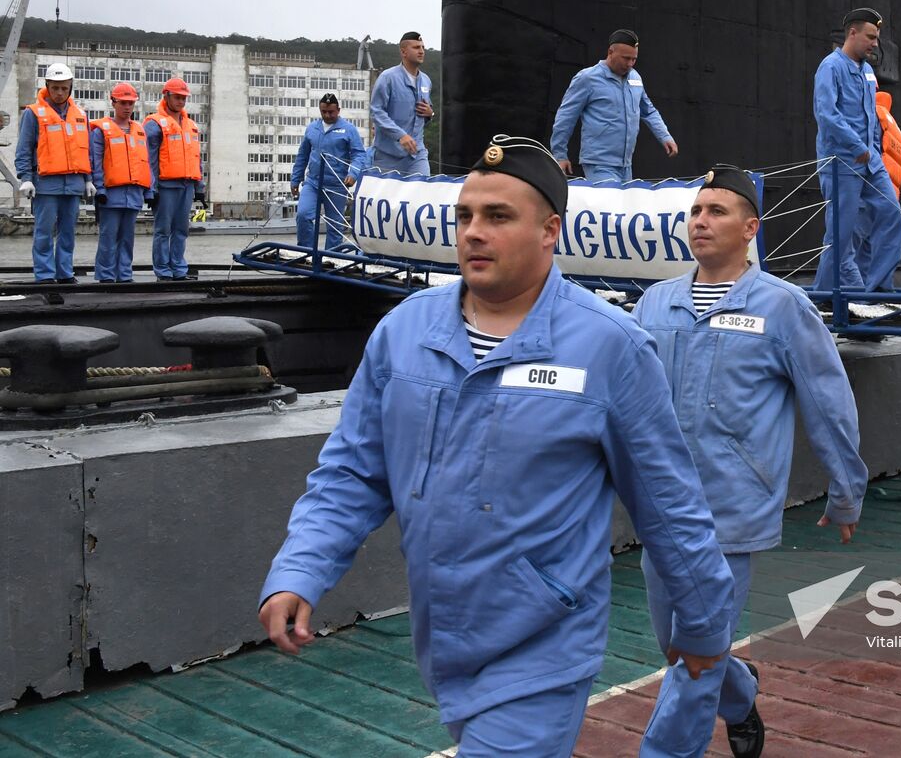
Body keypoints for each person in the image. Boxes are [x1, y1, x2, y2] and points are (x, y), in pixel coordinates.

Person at [259, 134, 734, 757]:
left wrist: (702, 626)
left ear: (549, 231)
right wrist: (301, 567)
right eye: (465, 216)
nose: (474, 233)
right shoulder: (405, 332)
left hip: (543, 645)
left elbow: (668, 505)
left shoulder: (609, 347)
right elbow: (353, 473)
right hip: (444, 637)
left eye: (498, 217)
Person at [632, 164, 868, 758]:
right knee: (678, 645)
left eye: (717, 211)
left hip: (733, 512)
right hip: (663, 510)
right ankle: (738, 694)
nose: (701, 221)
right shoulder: (655, 303)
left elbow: (827, 401)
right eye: (695, 211)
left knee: (692, 658)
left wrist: (846, 491)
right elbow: (623, 400)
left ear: (750, 227)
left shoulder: (783, 307)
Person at [812, 8, 901, 293]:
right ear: (852, 33)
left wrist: (873, 149)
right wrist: (858, 146)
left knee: (891, 214)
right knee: (841, 233)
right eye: (870, 37)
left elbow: (870, 115)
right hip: (842, 162)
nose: (875, 43)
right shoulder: (831, 67)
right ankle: (825, 293)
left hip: (870, 160)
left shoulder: (866, 70)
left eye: (876, 38)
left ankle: (878, 291)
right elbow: (826, 114)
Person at [549, 29, 678, 182]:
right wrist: (559, 155)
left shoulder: (635, 78)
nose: (630, 64)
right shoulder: (588, 78)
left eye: (634, 59)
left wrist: (664, 136)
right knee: (610, 205)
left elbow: (648, 111)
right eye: (625, 58)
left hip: (626, 165)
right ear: (610, 52)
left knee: (623, 206)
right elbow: (566, 116)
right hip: (599, 163)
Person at [15, 62, 93, 283]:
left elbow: (85, 151)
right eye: (55, 87)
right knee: (44, 232)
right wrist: (26, 178)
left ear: (71, 88)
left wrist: (88, 179)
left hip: (74, 183)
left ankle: (64, 273)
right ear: (47, 86)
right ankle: (45, 275)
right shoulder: (33, 114)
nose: (60, 93)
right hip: (46, 184)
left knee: (68, 232)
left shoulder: (80, 114)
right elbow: (24, 149)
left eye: (64, 88)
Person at [89, 83, 153, 283]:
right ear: (113, 102)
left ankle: (124, 275)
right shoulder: (101, 131)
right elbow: (96, 161)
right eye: (123, 103)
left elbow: (146, 162)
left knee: (127, 238)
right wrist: (99, 188)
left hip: (133, 194)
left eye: (130, 103)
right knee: (108, 237)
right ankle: (106, 276)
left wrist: (149, 191)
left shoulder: (140, 131)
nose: (127, 107)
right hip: (110, 194)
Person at [144, 77, 204, 282]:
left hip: (187, 185)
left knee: (181, 229)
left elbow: (196, 157)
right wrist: (151, 189)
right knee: (163, 230)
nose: (181, 101)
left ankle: (179, 269)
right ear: (166, 96)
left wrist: (200, 187)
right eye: (177, 97)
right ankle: (162, 271)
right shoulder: (154, 124)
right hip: (166, 185)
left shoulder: (191, 125)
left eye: (184, 98)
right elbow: (149, 159)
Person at [291, 93, 368, 251]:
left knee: (335, 226)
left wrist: (353, 174)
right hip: (312, 182)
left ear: (338, 110)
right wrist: (295, 179)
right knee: (303, 215)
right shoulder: (312, 128)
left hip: (336, 185)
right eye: (323, 111)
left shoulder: (348, 130)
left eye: (331, 112)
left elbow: (359, 154)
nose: (327, 115)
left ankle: (331, 258)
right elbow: (302, 155)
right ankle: (306, 253)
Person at [852, 88, 901, 291]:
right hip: (890, 193)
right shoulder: (890, 120)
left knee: (853, 244)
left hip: (870, 192)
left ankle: (857, 293)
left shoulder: (871, 116)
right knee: (868, 248)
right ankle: (871, 289)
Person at [369, 31, 434, 176]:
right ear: (403, 52)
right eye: (416, 47)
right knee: (387, 197)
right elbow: (376, 112)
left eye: (423, 47)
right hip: (388, 156)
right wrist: (400, 135)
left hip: (417, 155)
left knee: (422, 191)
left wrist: (430, 113)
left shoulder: (426, 81)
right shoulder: (388, 78)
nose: (421, 51)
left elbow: (425, 113)